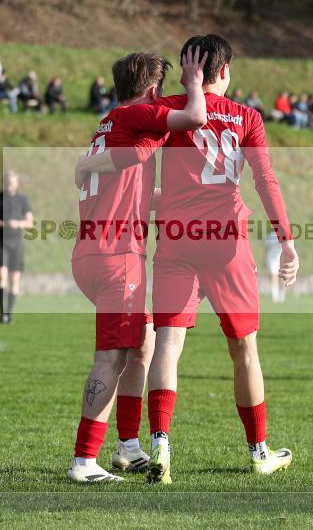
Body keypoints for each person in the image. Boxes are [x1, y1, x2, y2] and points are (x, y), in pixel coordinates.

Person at [81, 35, 298, 482]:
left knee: (167, 344)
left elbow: (129, 148)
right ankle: (259, 451)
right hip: (227, 239)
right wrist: (287, 239)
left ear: (187, 70)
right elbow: (266, 181)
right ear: (227, 69)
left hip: (177, 238)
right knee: (244, 350)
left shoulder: (169, 109)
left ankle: (159, 443)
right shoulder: (248, 117)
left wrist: (89, 166)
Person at [68, 47, 208, 483]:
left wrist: (188, 204)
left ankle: (128, 447)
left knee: (142, 343)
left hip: (93, 253)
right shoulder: (135, 118)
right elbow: (197, 117)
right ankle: (84, 461)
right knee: (110, 357)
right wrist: (194, 85)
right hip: (116, 257)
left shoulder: (109, 124)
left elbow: (134, 193)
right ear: (151, 91)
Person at [0, 171, 33, 324]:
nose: (9, 186)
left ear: (16, 184)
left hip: (16, 243)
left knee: (14, 280)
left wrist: (18, 224)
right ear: (3, 183)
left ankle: (9, 313)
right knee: (1, 276)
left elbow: (30, 222)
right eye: (6, 183)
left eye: (11, 183)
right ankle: (2, 312)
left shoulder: (22, 200)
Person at [264, 230, 285, 303]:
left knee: (282, 277)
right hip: (272, 258)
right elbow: (266, 248)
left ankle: (281, 296)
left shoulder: (283, 234)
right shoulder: (270, 235)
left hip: (281, 257)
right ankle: (274, 297)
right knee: (273, 276)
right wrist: (264, 257)